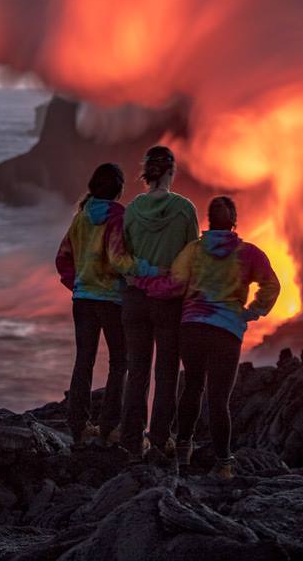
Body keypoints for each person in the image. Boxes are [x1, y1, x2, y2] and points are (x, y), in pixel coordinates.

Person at [168, 195, 280, 480]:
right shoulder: (249, 253)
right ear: (234, 222)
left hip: (192, 328)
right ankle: (223, 464)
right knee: (219, 398)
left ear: (208, 221)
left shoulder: (193, 251)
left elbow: (175, 282)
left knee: (192, 386)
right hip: (226, 331)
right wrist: (251, 313)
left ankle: (183, 449)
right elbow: (271, 286)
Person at [119, 145, 199, 462]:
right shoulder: (184, 210)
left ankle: (130, 441)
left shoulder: (132, 209)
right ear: (171, 171)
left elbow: (122, 257)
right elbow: (193, 256)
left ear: (146, 172)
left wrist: (138, 274)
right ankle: (160, 439)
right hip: (169, 301)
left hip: (135, 300)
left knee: (136, 371)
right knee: (165, 372)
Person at [55, 162, 133, 447]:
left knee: (83, 361)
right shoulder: (119, 217)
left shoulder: (81, 217)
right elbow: (117, 258)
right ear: (119, 189)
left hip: (83, 299)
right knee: (120, 361)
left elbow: (62, 256)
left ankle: (77, 426)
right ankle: (110, 426)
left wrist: (76, 283)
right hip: (112, 300)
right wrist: (139, 274)